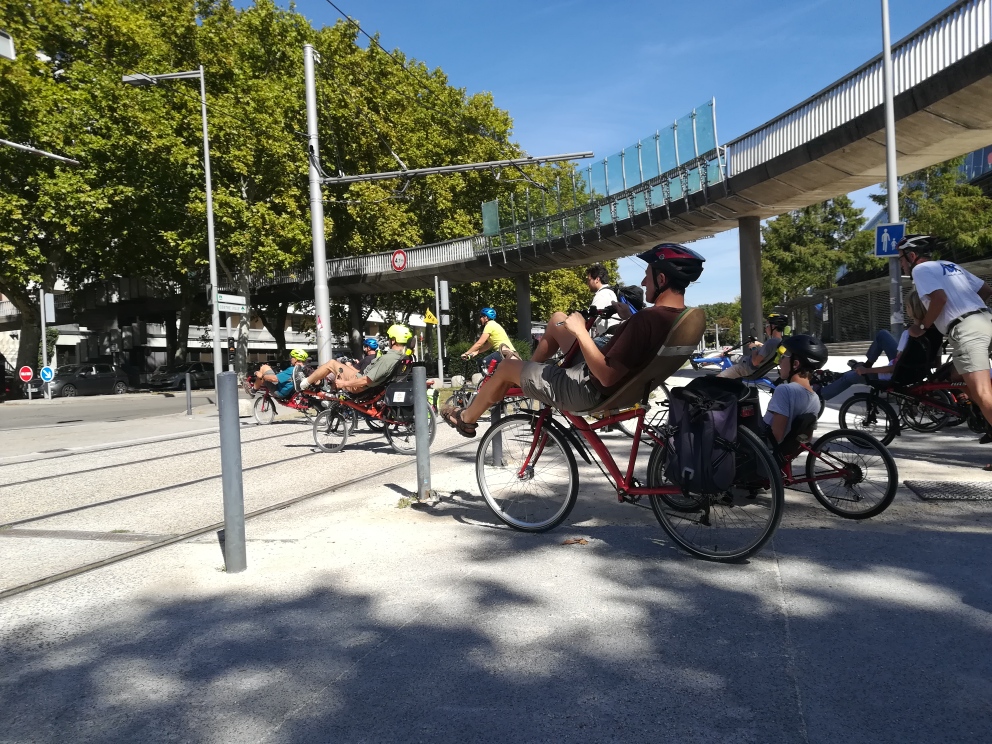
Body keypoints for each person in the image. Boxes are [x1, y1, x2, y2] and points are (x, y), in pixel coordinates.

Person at [441, 243, 706, 438]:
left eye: (647, 275)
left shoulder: (646, 320)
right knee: (557, 319)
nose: (643, 281)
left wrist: (580, 330)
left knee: (505, 367)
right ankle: (529, 374)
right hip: (614, 381)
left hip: (588, 388)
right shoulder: (672, 319)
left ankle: (465, 418)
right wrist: (626, 321)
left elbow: (606, 376)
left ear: (661, 279)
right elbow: (634, 352)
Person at [899, 234, 992, 463]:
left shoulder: (920, 271)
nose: (900, 264)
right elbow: (986, 290)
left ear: (911, 256)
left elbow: (938, 299)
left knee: (982, 392)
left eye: (900, 259)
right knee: (955, 377)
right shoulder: (949, 266)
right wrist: (967, 307)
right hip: (985, 321)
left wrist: (922, 325)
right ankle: (981, 416)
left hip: (966, 331)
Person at [819, 291, 932, 400]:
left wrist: (866, 371)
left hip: (898, 376)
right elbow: (934, 362)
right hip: (916, 372)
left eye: (907, 306)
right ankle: (867, 364)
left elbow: (895, 368)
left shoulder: (908, 334)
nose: (906, 309)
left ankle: (819, 396)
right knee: (882, 334)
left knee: (849, 377)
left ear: (914, 310)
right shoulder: (934, 331)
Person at [299, 324, 410, 395]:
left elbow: (366, 380)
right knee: (343, 365)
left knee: (332, 363)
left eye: (390, 338)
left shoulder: (387, 359)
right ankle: (318, 381)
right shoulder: (400, 357)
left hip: (360, 386)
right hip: (366, 381)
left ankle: (304, 383)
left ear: (394, 340)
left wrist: (343, 383)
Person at [763, 334, 827, 444]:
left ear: (795, 364)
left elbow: (775, 437)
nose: (779, 362)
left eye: (783, 357)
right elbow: (807, 439)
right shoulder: (815, 398)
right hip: (786, 455)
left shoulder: (784, 390)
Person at [717, 313, 788, 379]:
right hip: (748, 363)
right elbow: (768, 351)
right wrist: (759, 344)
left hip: (746, 368)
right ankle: (705, 362)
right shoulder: (778, 341)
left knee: (718, 378)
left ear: (773, 326)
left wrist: (753, 348)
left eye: (767, 326)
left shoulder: (770, 342)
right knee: (726, 354)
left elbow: (755, 362)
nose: (766, 328)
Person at [585, 263, 621, 342]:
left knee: (582, 351)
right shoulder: (609, 292)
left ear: (597, 279)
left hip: (608, 338)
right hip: (613, 336)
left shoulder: (602, 294)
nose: (587, 283)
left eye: (589, 279)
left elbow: (589, 319)